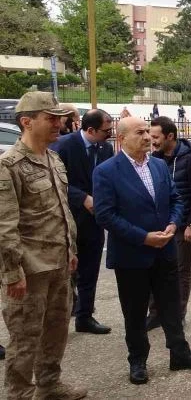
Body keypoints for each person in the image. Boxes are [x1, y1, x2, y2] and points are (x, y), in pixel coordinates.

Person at [93, 117, 191, 385]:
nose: (148, 136)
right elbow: (105, 215)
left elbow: (176, 200)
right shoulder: (106, 171)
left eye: (148, 131)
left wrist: (173, 223)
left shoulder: (158, 165)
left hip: (165, 250)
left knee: (171, 307)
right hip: (132, 255)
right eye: (140, 132)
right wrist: (144, 238)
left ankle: (180, 354)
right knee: (135, 313)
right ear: (121, 139)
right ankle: (138, 361)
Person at [0, 92, 87, 399]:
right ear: (27, 122)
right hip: (29, 269)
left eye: (59, 118)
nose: (59, 124)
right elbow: (5, 226)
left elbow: (62, 211)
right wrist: (12, 273)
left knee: (56, 332)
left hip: (59, 263)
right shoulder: (8, 165)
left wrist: (70, 251)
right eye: (50, 118)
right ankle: (19, 393)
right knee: (24, 340)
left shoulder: (53, 159)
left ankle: (49, 385)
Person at [52, 109, 115, 335]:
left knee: (89, 271)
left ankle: (85, 316)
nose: (111, 134)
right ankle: (58, 322)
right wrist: (83, 198)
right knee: (65, 274)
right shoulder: (64, 146)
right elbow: (56, 182)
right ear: (91, 130)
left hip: (94, 221)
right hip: (66, 221)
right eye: (107, 131)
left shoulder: (106, 149)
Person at [145, 117, 191, 330]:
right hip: (160, 225)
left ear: (169, 136)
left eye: (155, 137)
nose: (151, 140)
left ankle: (178, 314)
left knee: (180, 270)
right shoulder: (155, 158)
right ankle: (155, 314)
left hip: (184, 226)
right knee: (156, 269)